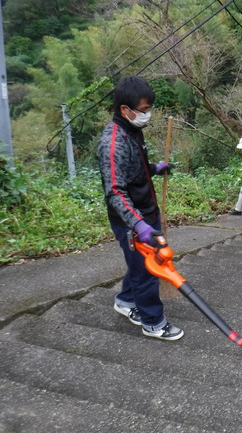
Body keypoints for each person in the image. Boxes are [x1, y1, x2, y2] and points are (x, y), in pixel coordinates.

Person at [97, 75, 184, 341]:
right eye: (144, 111)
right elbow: (115, 191)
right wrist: (139, 225)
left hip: (147, 211)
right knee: (148, 269)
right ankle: (153, 322)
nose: (148, 115)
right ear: (125, 109)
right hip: (132, 221)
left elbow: (136, 172)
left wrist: (155, 169)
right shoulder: (113, 143)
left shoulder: (133, 130)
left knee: (139, 265)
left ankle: (125, 300)